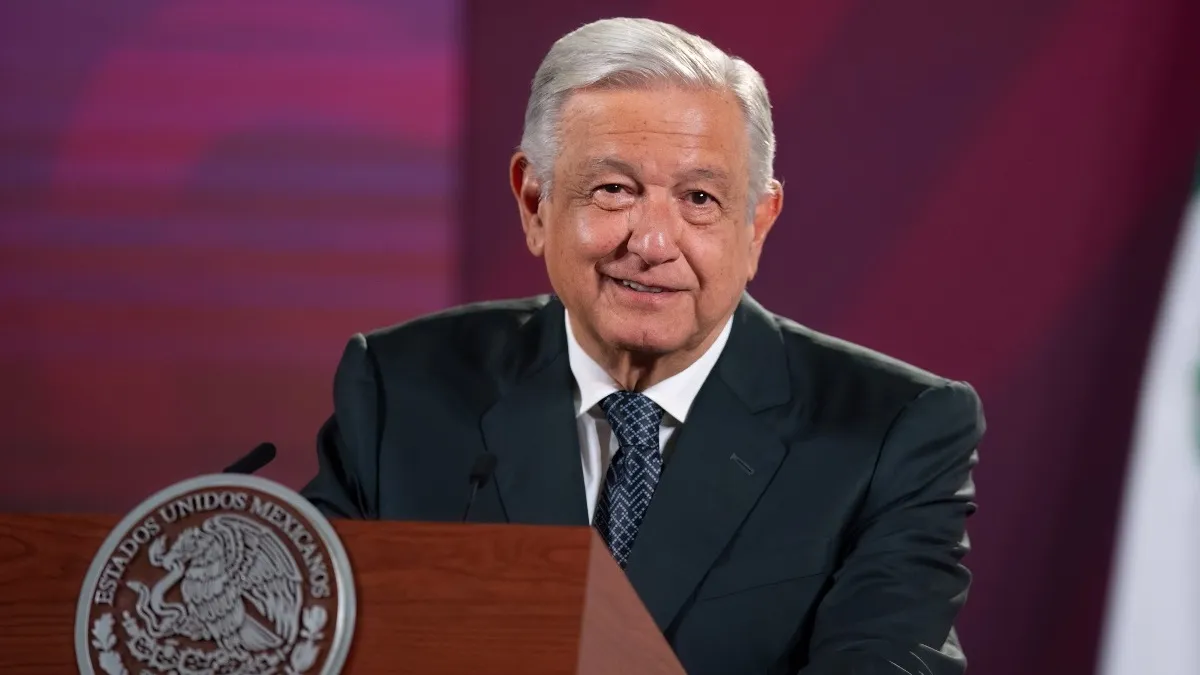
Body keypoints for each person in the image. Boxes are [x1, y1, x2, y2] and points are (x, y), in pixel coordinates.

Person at [302, 17, 984, 675]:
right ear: (534, 202)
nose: (653, 243)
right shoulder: (399, 389)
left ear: (757, 224)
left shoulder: (892, 432)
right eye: (613, 190)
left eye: (699, 199)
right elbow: (299, 637)